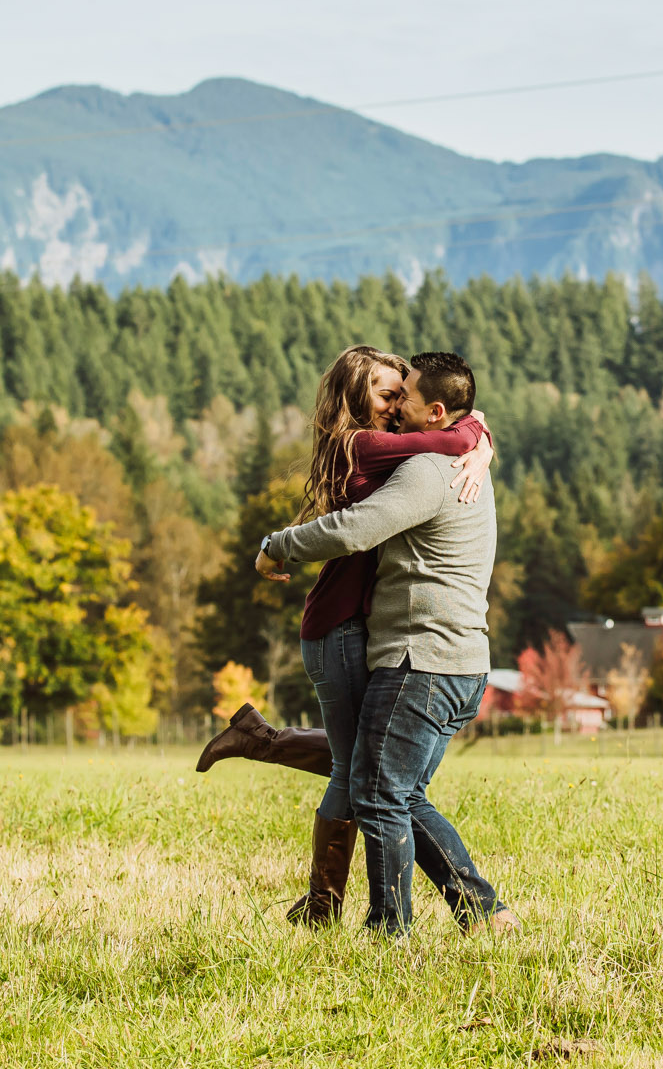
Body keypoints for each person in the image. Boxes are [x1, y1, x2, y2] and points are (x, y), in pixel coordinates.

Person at [196, 346, 496, 926]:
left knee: (373, 776)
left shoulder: (413, 450)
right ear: (358, 401)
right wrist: (473, 436)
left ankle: (263, 751)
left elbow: (446, 430)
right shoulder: (360, 443)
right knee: (368, 775)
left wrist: (474, 430)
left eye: (400, 395)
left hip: (388, 635)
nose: (394, 404)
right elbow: (440, 444)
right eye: (386, 394)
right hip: (338, 622)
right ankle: (332, 902)